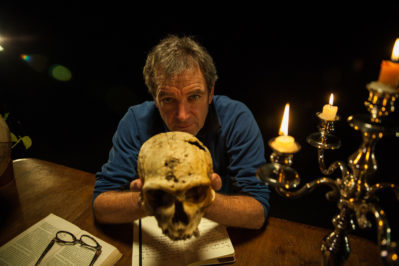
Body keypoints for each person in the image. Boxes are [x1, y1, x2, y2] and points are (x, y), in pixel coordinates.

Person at [93, 35, 270, 229]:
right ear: (154, 97)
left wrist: (201, 198)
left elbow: (257, 212)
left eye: (194, 96)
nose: (182, 116)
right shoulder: (136, 121)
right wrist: (150, 199)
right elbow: (101, 205)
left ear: (210, 93)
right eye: (168, 99)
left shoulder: (236, 118)